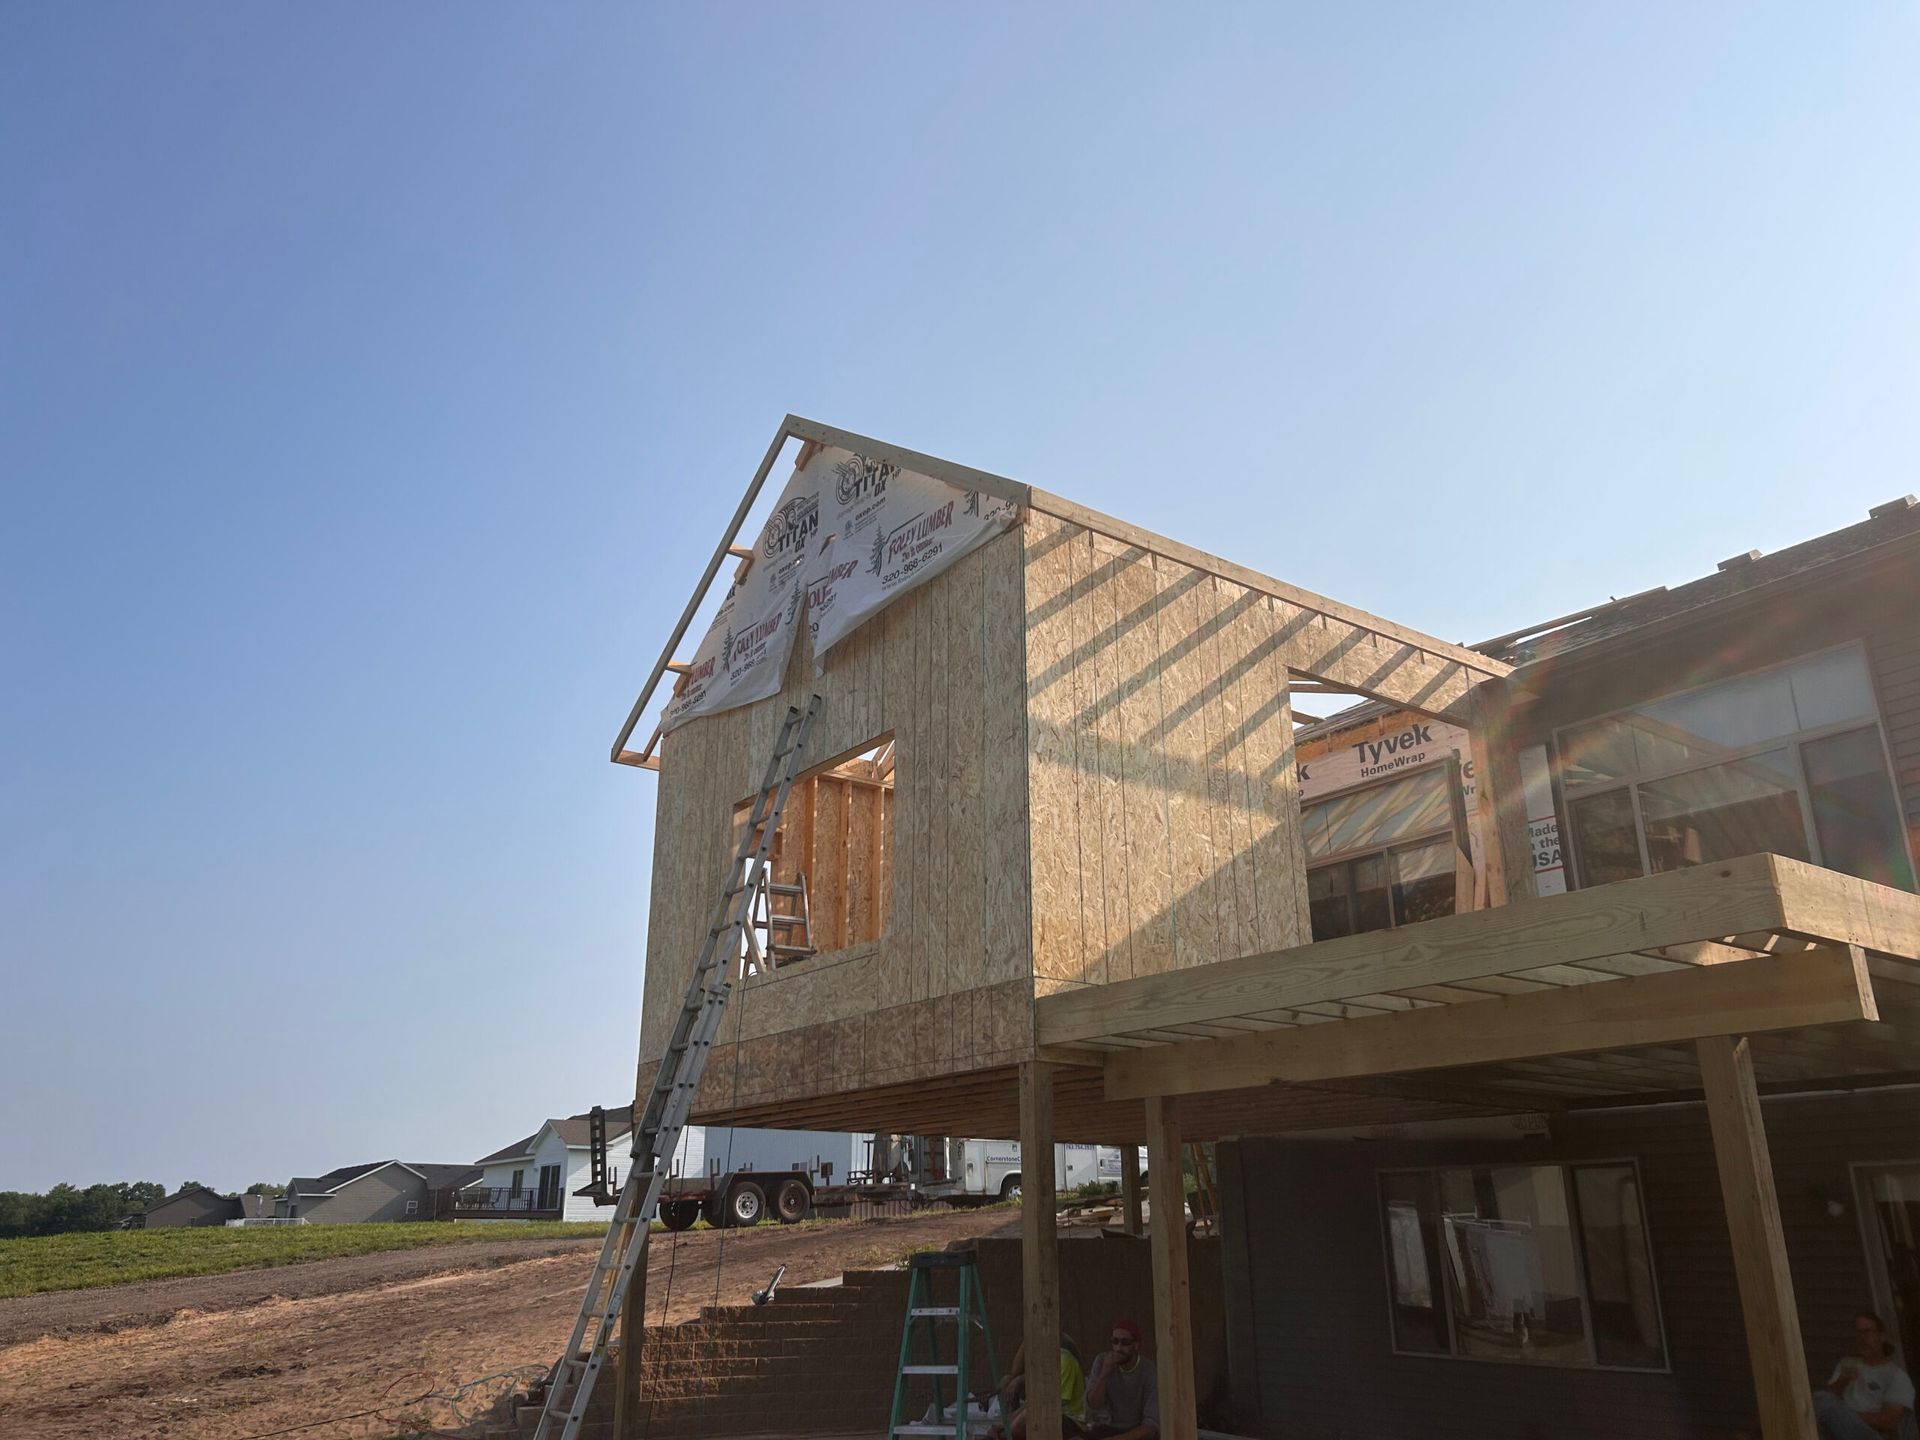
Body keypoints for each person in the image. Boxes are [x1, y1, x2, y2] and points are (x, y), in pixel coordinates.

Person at [1815, 1312, 1913, 1440]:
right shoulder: (1847, 1363)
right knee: (1819, 1403)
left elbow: (1889, 1421)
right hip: (1840, 1432)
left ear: (1881, 1337)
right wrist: (1842, 1382)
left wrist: (1847, 1417)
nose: (1862, 1338)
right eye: (1858, 1332)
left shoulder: (1896, 1376)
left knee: (1822, 1399)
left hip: (1872, 1435)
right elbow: (1828, 1402)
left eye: (1867, 1332)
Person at [989, 1336, 1087, 1440]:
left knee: (1032, 1414)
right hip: (1048, 1412)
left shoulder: (1063, 1360)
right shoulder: (1044, 1362)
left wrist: (1008, 1427)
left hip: (1071, 1419)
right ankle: (1003, 1433)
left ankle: (1003, 1436)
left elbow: (1052, 1404)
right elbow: (1030, 1401)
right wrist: (1005, 1423)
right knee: (1008, 1384)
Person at [1084, 1319, 1159, 1440]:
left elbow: (1151, 1425)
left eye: (1125, 1342)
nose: (1118, 1348)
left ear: (1136, 1345)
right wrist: (1104, 1374)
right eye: (1115, 1341)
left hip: (1136, 1431)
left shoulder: (1148, 1371)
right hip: (1107, 1427)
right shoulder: (1102, 1361)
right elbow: (1093, 1405)